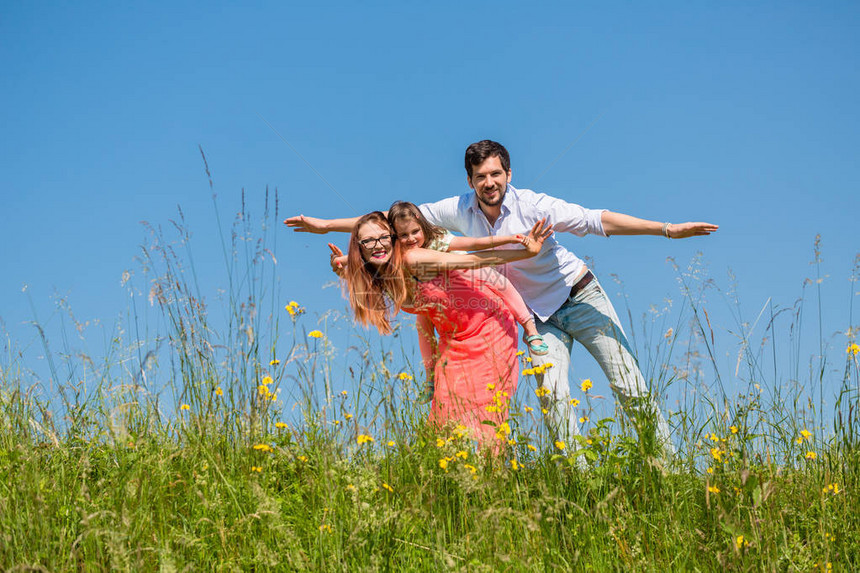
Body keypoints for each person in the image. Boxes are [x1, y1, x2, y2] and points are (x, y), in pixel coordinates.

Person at [285, 140, 718, 453]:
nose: (488, 183)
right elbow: (385, 221)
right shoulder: (455, 209)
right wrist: (325, 226)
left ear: (508, 175)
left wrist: (666, 229)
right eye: (480, 177)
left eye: (495, 174)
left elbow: (596, 220)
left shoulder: (534, 205)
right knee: (551, 395)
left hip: (579, 296)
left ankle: (669, 467)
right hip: (534, 316)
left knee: (628, 383)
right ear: (471, 181)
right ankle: (580, 475)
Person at [334, 211, 551, 448]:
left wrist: (525, 252)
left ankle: (492, 476)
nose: (377, 245)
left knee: (486, 414)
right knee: (444, 416)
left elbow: (474, 259)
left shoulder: (414, 258)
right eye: (368, 241)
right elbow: (357, 264)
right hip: (453, 341)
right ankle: (451, 480)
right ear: (359, 246)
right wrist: (342, 266)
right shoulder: (380, 274)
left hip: (489, 327)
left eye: (383, 237)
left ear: (393, 239)